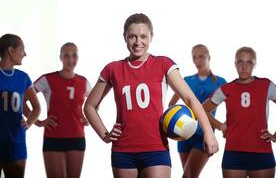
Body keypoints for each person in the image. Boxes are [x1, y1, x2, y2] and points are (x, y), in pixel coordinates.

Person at [84, 13, 219, 178]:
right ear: (124, 37)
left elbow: (190, 99)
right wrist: (105, 135)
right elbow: (89, 106)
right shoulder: (113, 69)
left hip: (156, 148)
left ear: (151, 37)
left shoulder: (163, 64)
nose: (137, 42)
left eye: (143, 36)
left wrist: (208, 132)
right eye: (132, 36)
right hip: (123, 150)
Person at [203, 46, 276, 178]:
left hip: (262, 152)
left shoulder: (266, 85)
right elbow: (203, 109)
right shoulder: (226, 89)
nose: (244, 66)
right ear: (235, 64)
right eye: (240, 62)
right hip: (233, 153)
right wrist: (221, 126)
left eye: (249, 62)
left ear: (254, 64)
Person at [25, 43, 91, 178]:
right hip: (53, 138)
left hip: (77, 138)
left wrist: (89, 117)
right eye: (66, 55)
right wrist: (36, 122)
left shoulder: (83, 82)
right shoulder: (47, 79)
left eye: (74, 55)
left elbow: (94, 103)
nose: (71, 59)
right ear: (60, 57)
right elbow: (21, 98)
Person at [168, 44, 226, 178]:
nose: (198, 60)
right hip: (184, 134)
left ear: (209, 57)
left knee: (188, 176)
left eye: (201, 56)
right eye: (194, 57)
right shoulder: (186, 80)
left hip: (203, 135)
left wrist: (222, 125)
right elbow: (171, 105)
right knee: (190, 176)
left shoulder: (220, 82)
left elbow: (233, 106)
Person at [0, 33, 41, 178]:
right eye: (22, 49)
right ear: (11, 51)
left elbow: (37, 107)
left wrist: (29, 123)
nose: (25, 53)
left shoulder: (23, 77)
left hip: (16, 142)